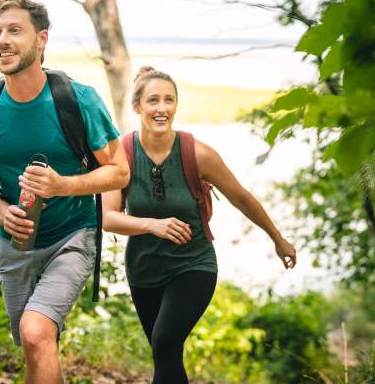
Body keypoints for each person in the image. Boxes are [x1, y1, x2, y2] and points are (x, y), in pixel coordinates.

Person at [0, 0, 129, 383]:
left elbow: (119, 172)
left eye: (15, 30)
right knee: (34, 343)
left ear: (42, 39)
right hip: (15, 244)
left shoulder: (77, 100)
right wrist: (1, 211)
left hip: (72, 236)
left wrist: (63, 185)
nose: (3, 40)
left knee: (36, 334)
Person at [102, 66, 297, 384]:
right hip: (143, 269)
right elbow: (108, 218)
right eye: (153, 101)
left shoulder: (199, 154)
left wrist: (277, 238)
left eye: (169, 100)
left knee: (165, 341)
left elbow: (241, 197)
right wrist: (153, 225)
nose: (162, 108)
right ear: (137, 107)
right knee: (165, 353)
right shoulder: (121, 154)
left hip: (193, 264)